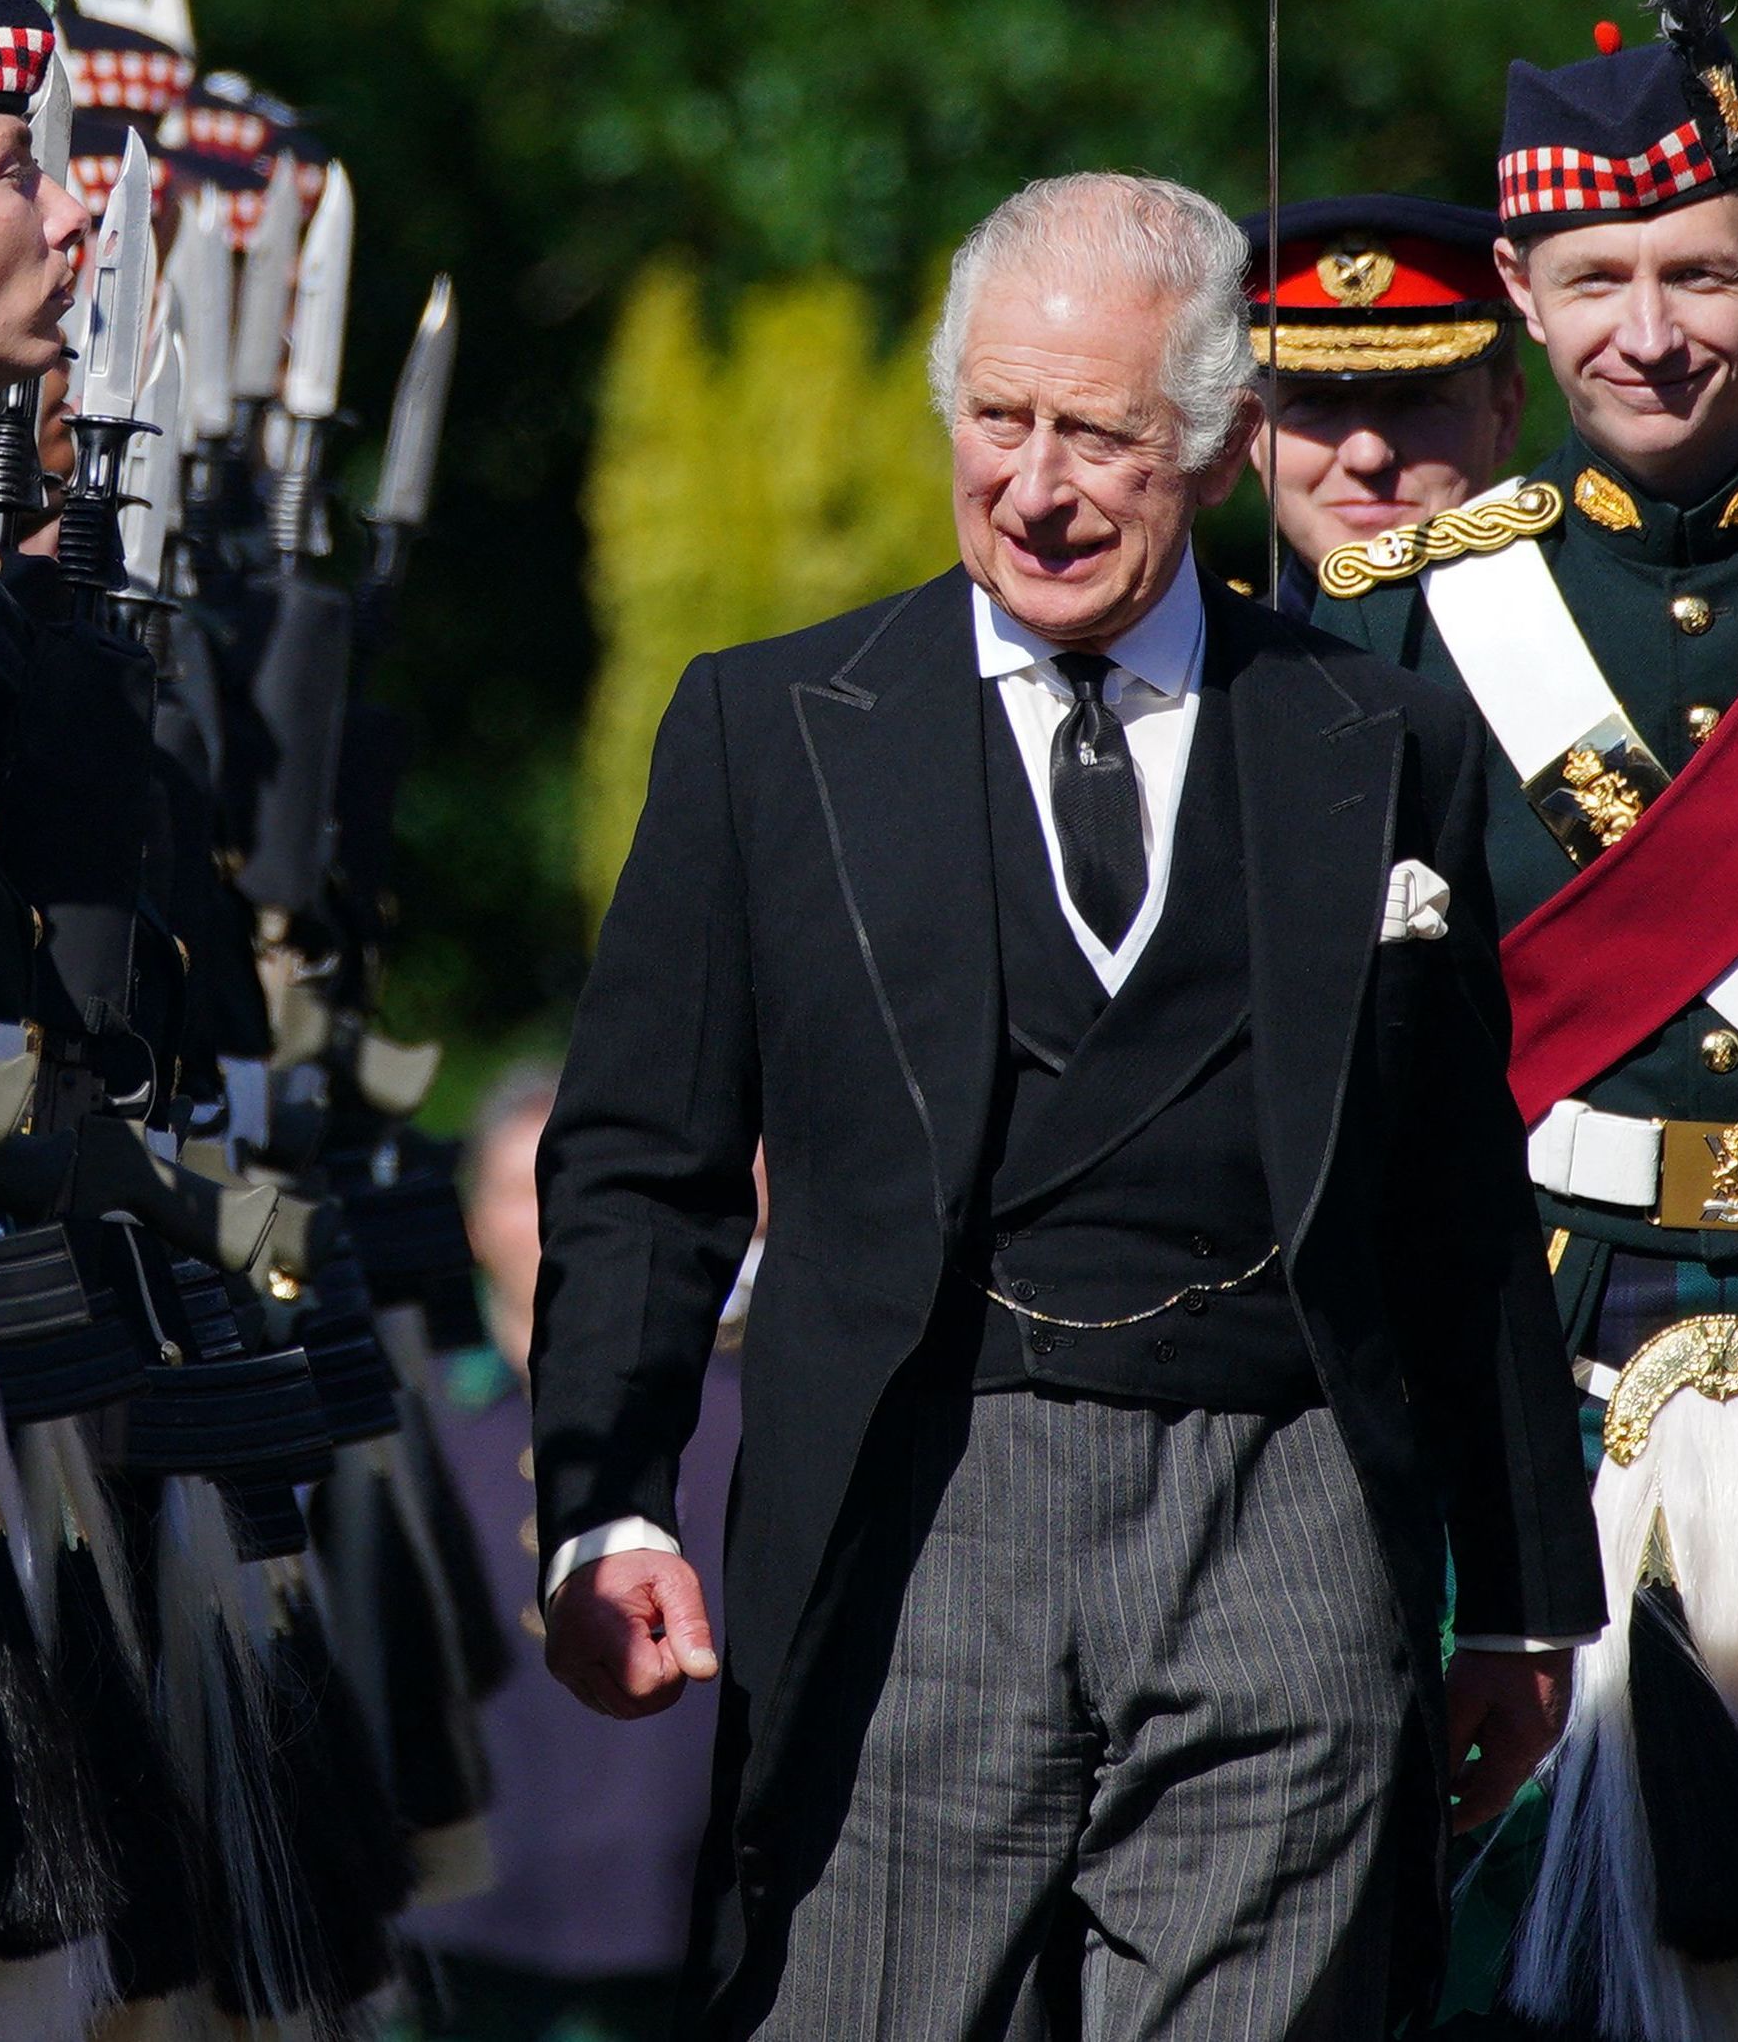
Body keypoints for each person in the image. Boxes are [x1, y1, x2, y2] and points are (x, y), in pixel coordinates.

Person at [531, 167, 1602, 2041]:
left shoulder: (1374, 739)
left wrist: (1518, 1592)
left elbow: (1452, 1191)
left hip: (1286, 1517)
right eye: (999, 419)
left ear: (1216, 444)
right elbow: (643, 1157)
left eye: (1100, 436)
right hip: (910, 1513)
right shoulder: (770, 729)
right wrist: (606, 1508)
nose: (1035, 485)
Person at [1316, 0, 1738, 2038]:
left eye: (1698, 270)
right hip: (1535, 1404)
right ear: (1521, 307)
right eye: (1598, 283)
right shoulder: (1399, 635)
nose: (1650, 331)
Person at [402, 1063, 740, 2042]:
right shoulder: (411, 1414)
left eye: (577, 1186)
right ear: (472, 1223)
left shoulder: (734, 1402)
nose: (551, 1219)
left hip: (684, 1912)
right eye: (521, 1190)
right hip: (464, 1919)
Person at [1239, 193, 1524, 616]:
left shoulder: (1592, 659)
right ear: (1248, 430)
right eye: (1315, 402)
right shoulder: (1195, 675)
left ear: (1504, 416)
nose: (1368, 456)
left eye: (1415, 399)